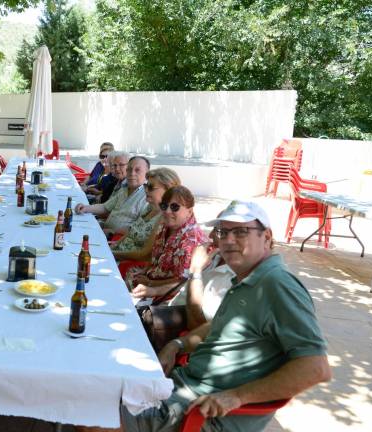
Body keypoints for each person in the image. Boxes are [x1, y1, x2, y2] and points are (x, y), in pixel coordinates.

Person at [102, 200, 332, 432]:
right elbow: (217, 325)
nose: (228, 240)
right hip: (180, 388)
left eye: (241, 231)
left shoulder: (277, 285)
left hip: (199, 413)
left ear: (267, 236)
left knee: (89, 411)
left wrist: (236, 397)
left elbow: (316, 367)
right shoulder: (245, 279)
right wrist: (176, 344)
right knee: (98, 382)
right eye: (223, 232)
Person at [128, 186, 208, 304]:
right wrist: (144, 272)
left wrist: (150, 284)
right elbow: (156, 259)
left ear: (189, 211)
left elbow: (182, 282)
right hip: (150, 282)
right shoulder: (165, 227)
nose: (168, 211)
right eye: (164, 206)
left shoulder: (191, 240)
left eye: (175, 207)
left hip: (168, 296)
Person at [112, 167, 180, 263]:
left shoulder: (164, 218)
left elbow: (145, 254)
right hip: (119, 255)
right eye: (146, 186)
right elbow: (131, 232)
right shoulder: (150, 207)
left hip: (130, 263)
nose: (146, 190)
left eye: (151, 187)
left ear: (168, 190)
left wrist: (113, 253)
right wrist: (114, 246)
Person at [76, 156, 150, 235]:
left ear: (147, 174)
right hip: (104, 229)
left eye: (137, 170)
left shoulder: (147, 197)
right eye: (129, 169)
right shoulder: (124, 189)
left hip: (117, 238)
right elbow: (105, 207)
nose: (132, 173)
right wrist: (85, 208)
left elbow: (138, 228)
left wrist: (114, 232)